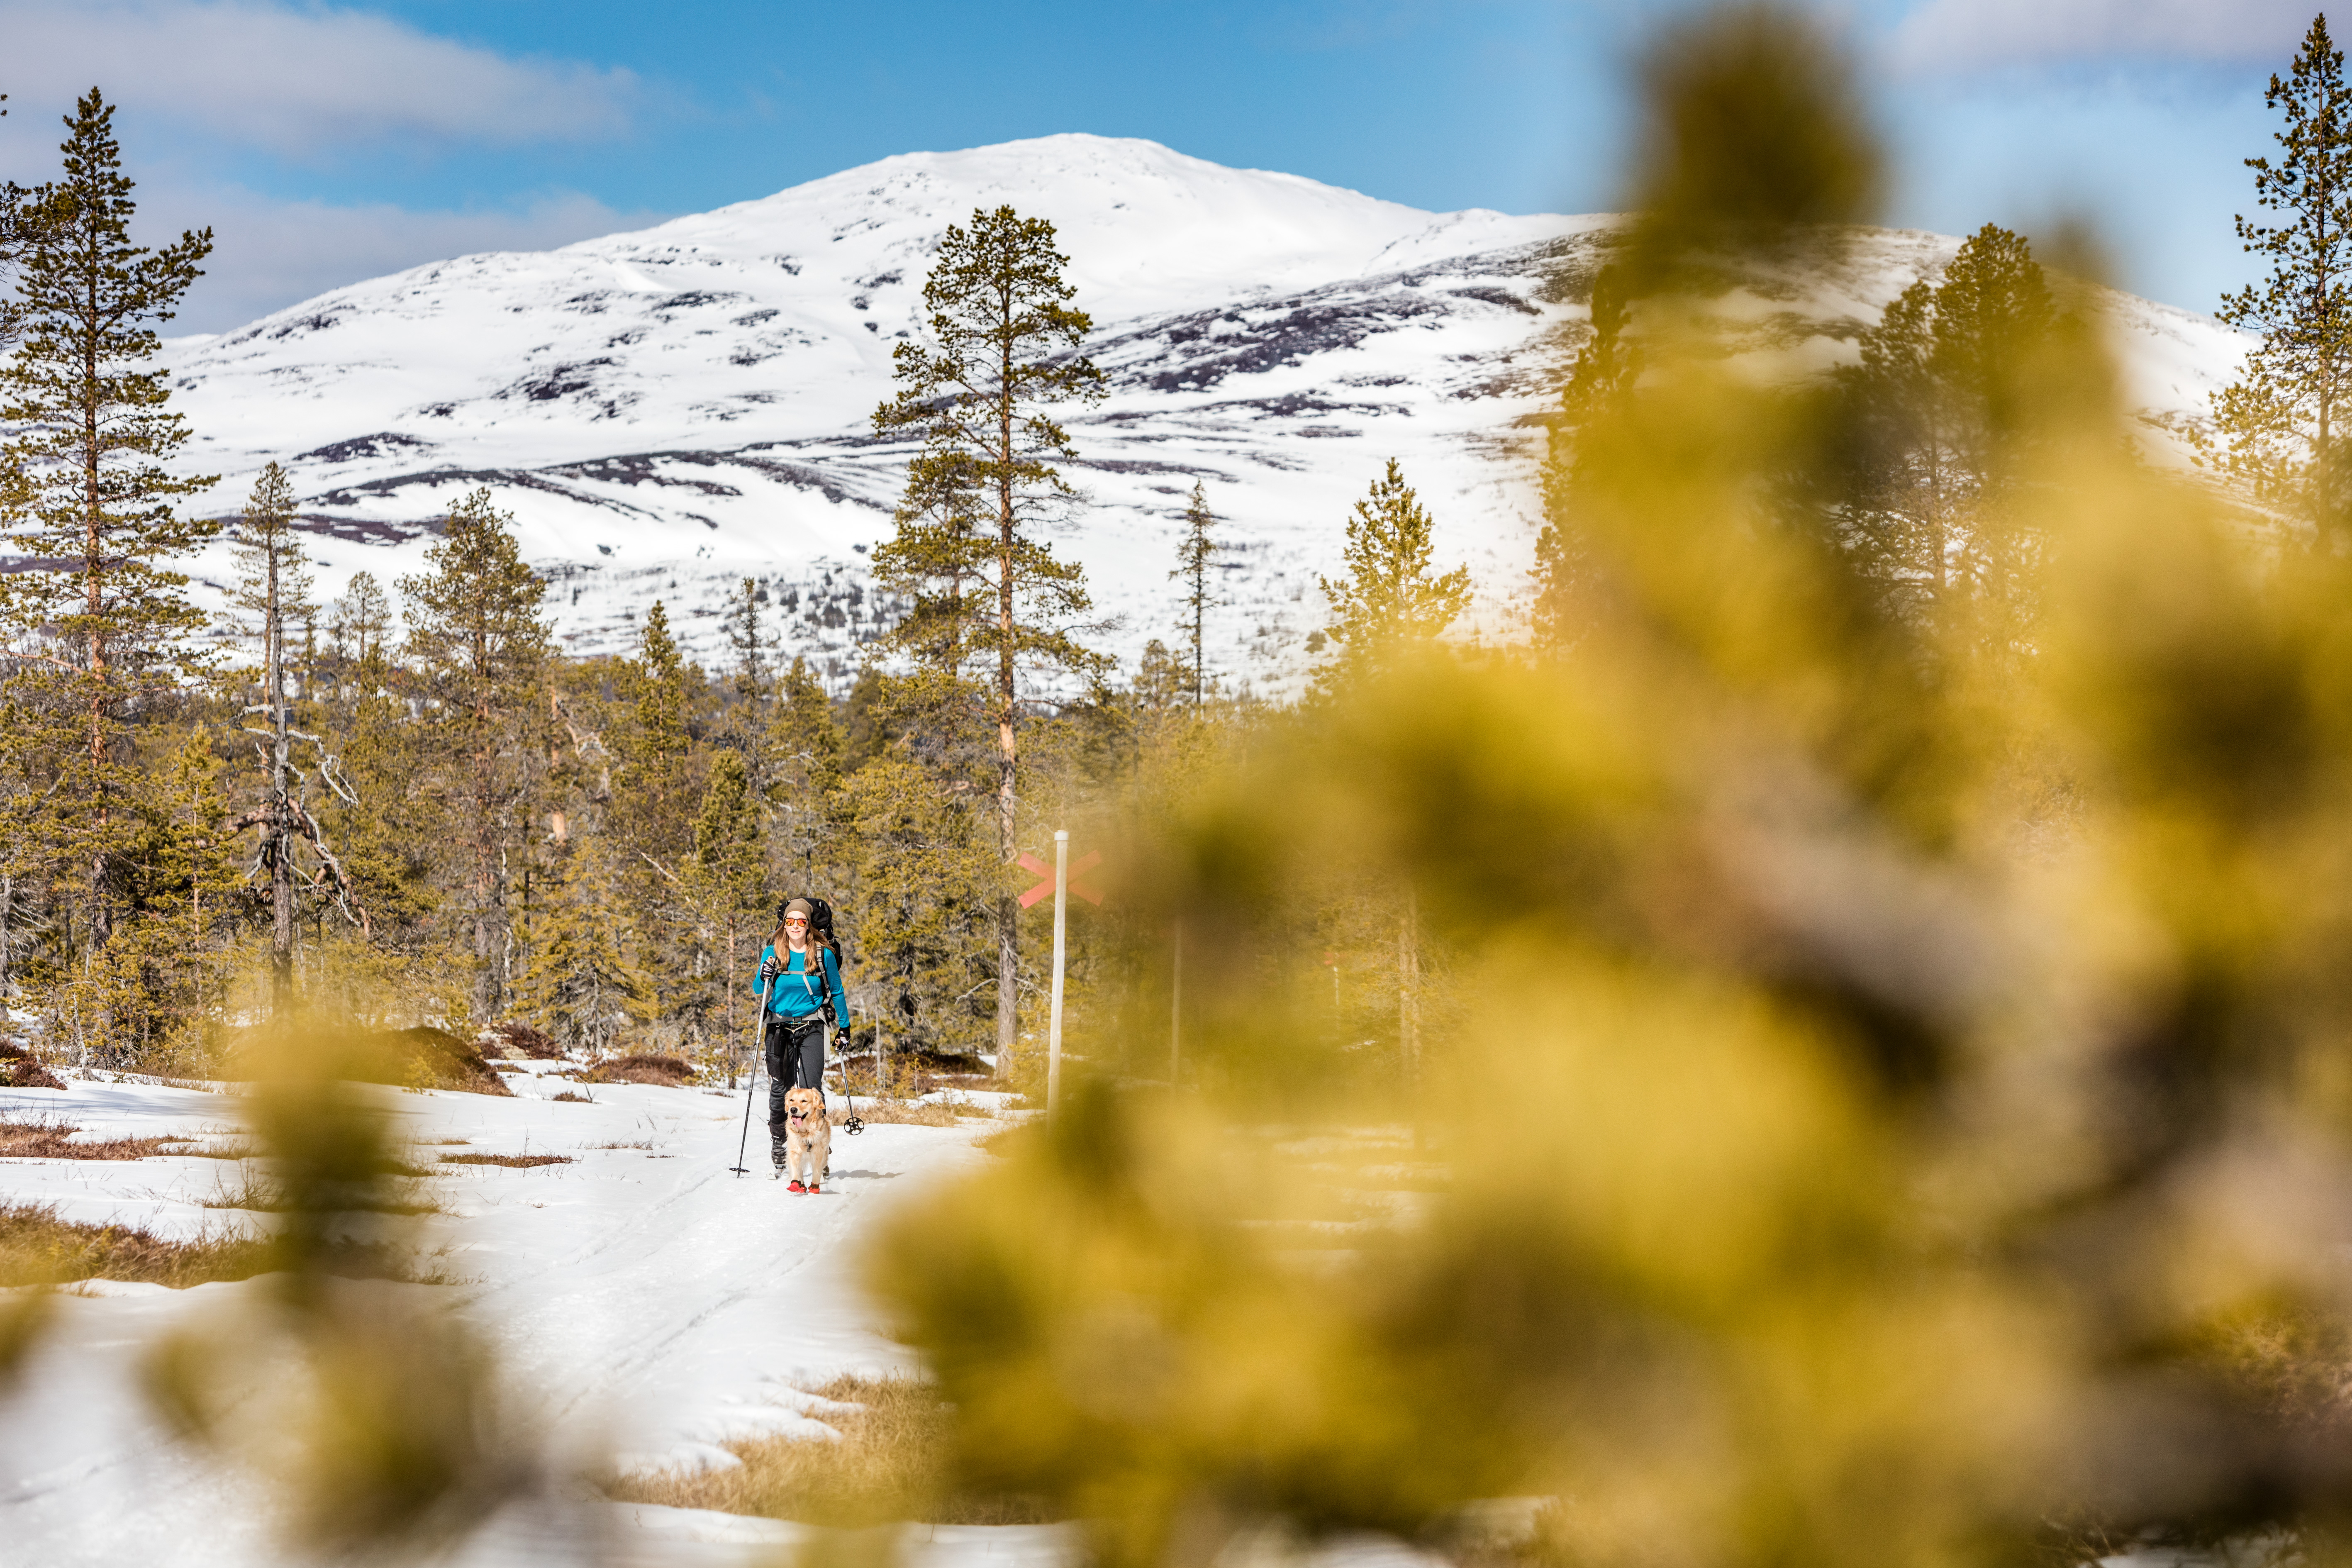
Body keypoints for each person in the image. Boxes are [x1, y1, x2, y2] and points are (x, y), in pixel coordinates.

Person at [754, 899, 850, 1177]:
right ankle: (779, 1142)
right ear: (784, 924)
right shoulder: (772, 952)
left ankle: (818, 1144)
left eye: (801, 921)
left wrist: (844, 1028)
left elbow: (838, 991)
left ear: (809, 925)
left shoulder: (822, 955)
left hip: (811, 1026)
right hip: (778, 1026)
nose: (795, 926)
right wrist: (764, 974)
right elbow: (758, 988)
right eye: (790, 921)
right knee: (780, 1089)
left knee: (811, 1091)